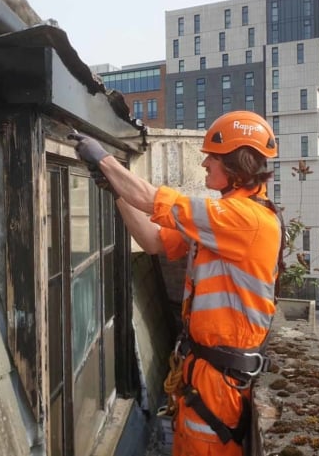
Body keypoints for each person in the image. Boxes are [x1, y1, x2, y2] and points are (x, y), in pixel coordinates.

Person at [70, 111, 283, 456]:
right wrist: (118, 192)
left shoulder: (246, 220)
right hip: (205, 376)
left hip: (220, 384)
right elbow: (155, 240)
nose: (204, 164)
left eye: (211, 157)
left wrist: (105, 160)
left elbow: (159, 202)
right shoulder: (225, 219)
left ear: (235, 162)